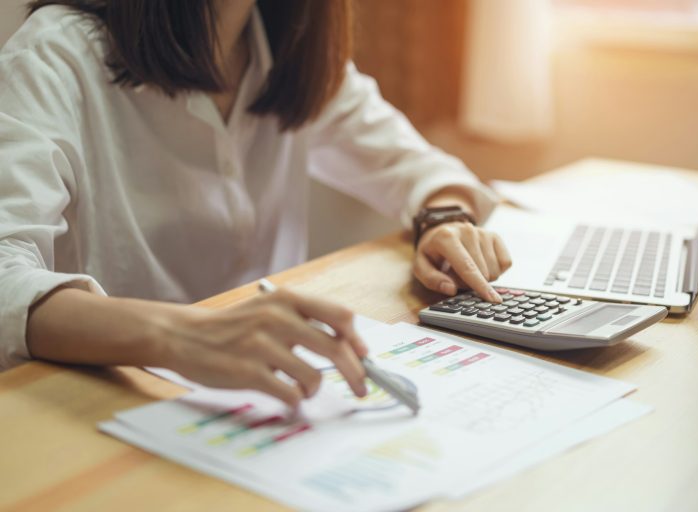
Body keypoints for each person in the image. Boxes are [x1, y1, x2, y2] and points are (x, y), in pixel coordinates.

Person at [0, 0, 511, 406]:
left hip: (274, 397)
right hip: (106, 403)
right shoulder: (54, 56)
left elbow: (420, 169)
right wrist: (182, 335)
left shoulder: (287, 49)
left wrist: (444, 220)